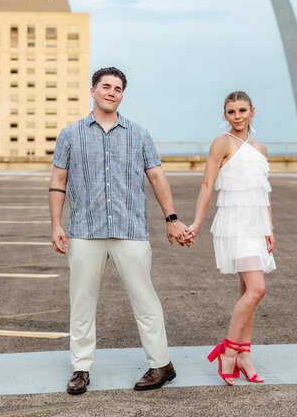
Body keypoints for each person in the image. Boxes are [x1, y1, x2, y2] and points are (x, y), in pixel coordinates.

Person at [49, 67, 192, 394]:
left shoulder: (139, 134)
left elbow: (157, 178)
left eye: (117, 89)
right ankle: (81, 369)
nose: (111, 92)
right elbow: (58, 182)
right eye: (106, 87)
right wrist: (56, 224)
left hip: (131, 230)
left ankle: (161, 364)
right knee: (82, 304)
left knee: (146, 301)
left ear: (122, 95)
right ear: (93, 91)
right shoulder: (71, 134)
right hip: (84, 231)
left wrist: (171, 219)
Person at [188, 91, 276, 386]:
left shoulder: (261, 148)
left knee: (247, 296)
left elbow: (263, 192)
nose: (237, 116)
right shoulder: (222, 143)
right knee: (257, 289)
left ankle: (244, 356)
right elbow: (207, 184)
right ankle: (228, 350)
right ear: (224, 115)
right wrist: (198, 222)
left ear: (252, 111)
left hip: (256, 226)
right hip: (235, 224)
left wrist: (269, 229)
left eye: (242, 110)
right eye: (230, 112)